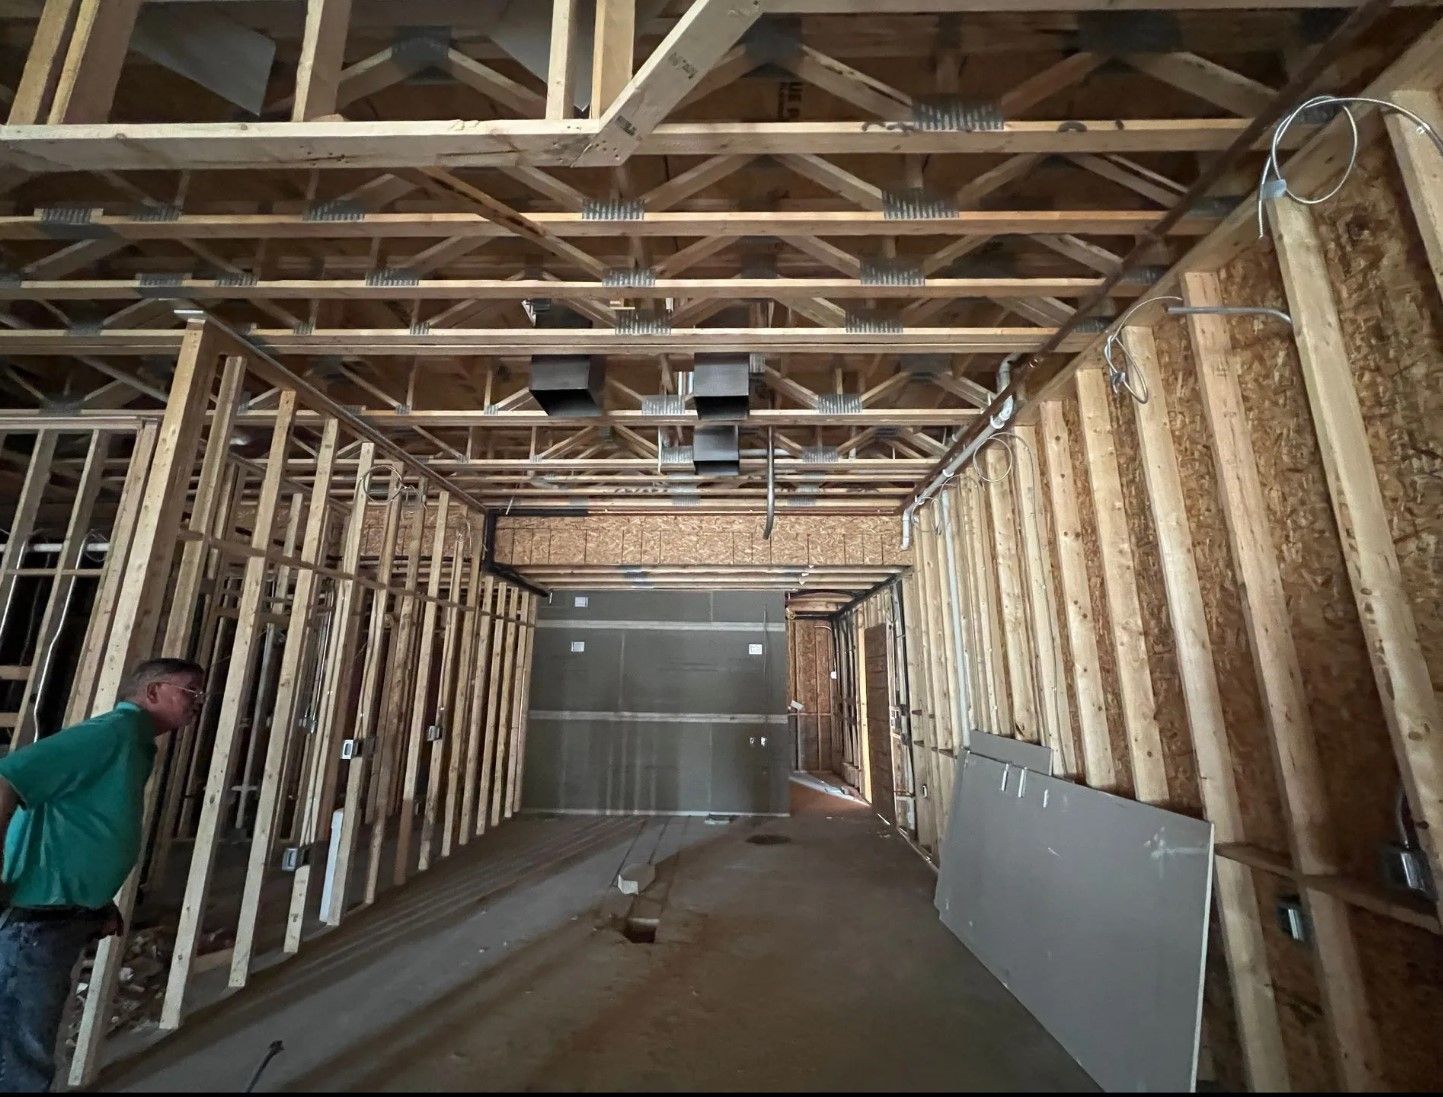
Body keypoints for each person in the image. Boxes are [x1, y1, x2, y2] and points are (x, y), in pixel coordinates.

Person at [0, 658, 206, 1092]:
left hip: (61, 914)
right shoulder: (113, 733)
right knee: (20, 1051)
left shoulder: (134, 742)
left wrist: (96, 900)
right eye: (191, 691)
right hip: (36, 923)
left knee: (29, 1042)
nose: (198, 702)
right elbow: (8, 778)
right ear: (153, 691)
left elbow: (84, 824)